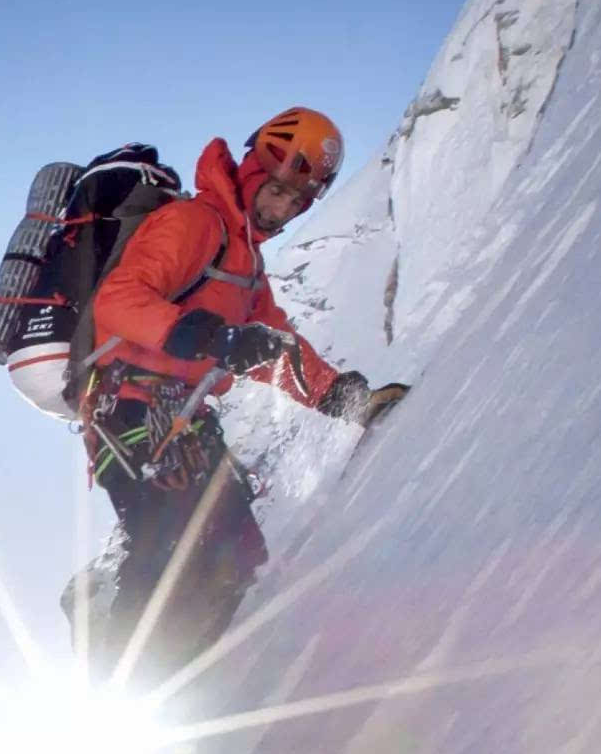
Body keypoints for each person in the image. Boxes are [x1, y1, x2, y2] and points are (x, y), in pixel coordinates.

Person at [79, 106, 381, 680]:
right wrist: (204, 335)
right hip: (131, 408)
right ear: (249, 174)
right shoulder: (195, 223)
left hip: (186, 420)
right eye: (276, 191)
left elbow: (276, 346)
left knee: (235, 552)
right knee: (165, 548)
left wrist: (337, 395)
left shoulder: (248, 266)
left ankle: (182, 686)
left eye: (296, 202)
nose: (282, 209)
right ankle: (115, 694)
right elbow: (117, 301)